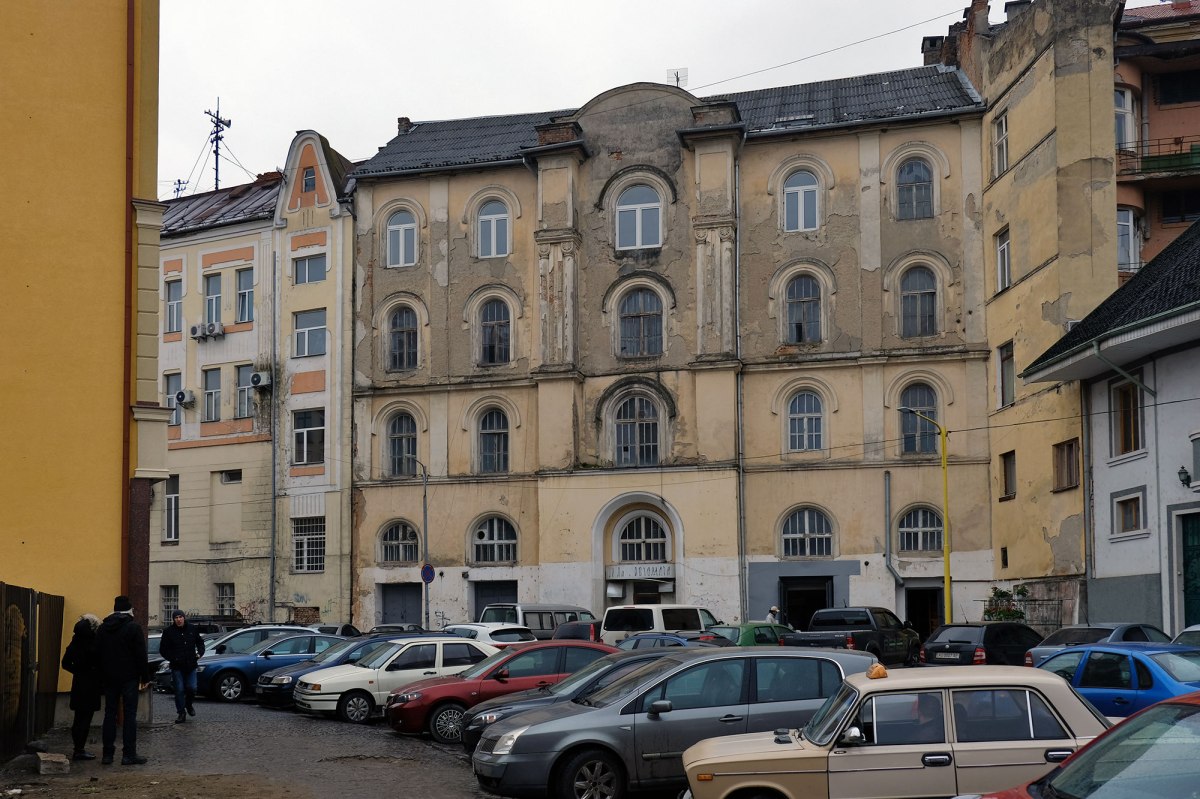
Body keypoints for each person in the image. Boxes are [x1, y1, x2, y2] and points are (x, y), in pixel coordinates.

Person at [95, 595, 149, 765]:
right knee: (129, 715)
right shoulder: (133, 628)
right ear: (129, 610)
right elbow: (140, 655)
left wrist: (101, 675)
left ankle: (107, 754)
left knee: (109, 714)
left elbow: (97, 654)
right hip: (129, 677)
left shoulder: (103, 628)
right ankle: (128, 754)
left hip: (109, 677)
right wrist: (145, 676)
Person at [61, 614, 102, 761]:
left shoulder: (75, 641)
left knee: (78, 718)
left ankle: (77, 748)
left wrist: (78, 672)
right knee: (86, 718)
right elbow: (101, 662)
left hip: (79, 683)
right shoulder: (95, 642)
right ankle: (79, 750)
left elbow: (65, 663)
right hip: (92, 683)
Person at [160, 610, 205, 723]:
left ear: (184, 618)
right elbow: (163, 649)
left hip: (191, 664)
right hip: (177, 666)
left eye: (180, 617)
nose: (178, 619)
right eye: (176, 617)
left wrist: (199, 654)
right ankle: (181, 713)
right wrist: (172, 658)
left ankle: (188, 705)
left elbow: (200, 643)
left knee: (192, 688)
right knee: (179, 690)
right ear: (173, 619)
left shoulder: (192, 629)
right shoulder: (168, 632)